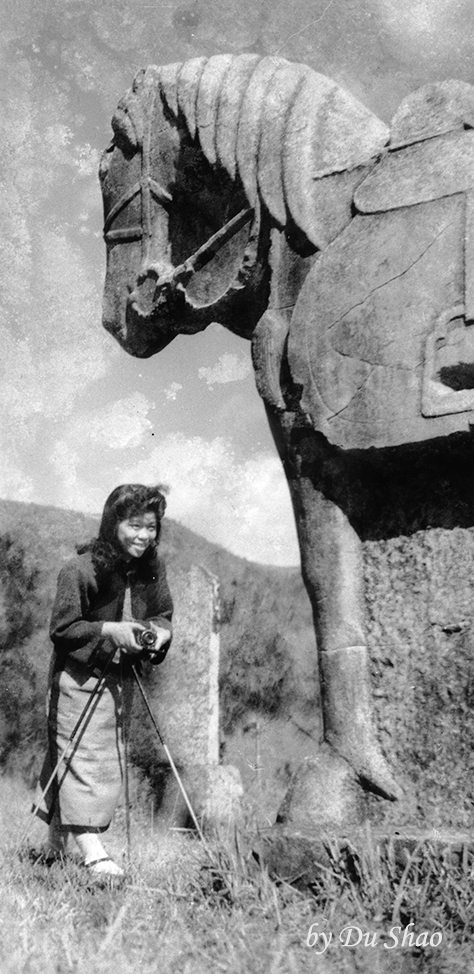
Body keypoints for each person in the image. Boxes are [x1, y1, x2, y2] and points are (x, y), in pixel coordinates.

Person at [33, 483, 173, 879]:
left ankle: (55, 846)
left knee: (100, 755)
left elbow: (163, 614)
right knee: (80, 754)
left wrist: (160, 634)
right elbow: (62, 630)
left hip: (119, 680)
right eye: (134, 526)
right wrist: (110, 629)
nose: (144, 536)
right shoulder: (79, 570)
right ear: (113, 524)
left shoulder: (152, 569)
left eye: (151, 527)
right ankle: (93, 852)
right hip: (77, 676)